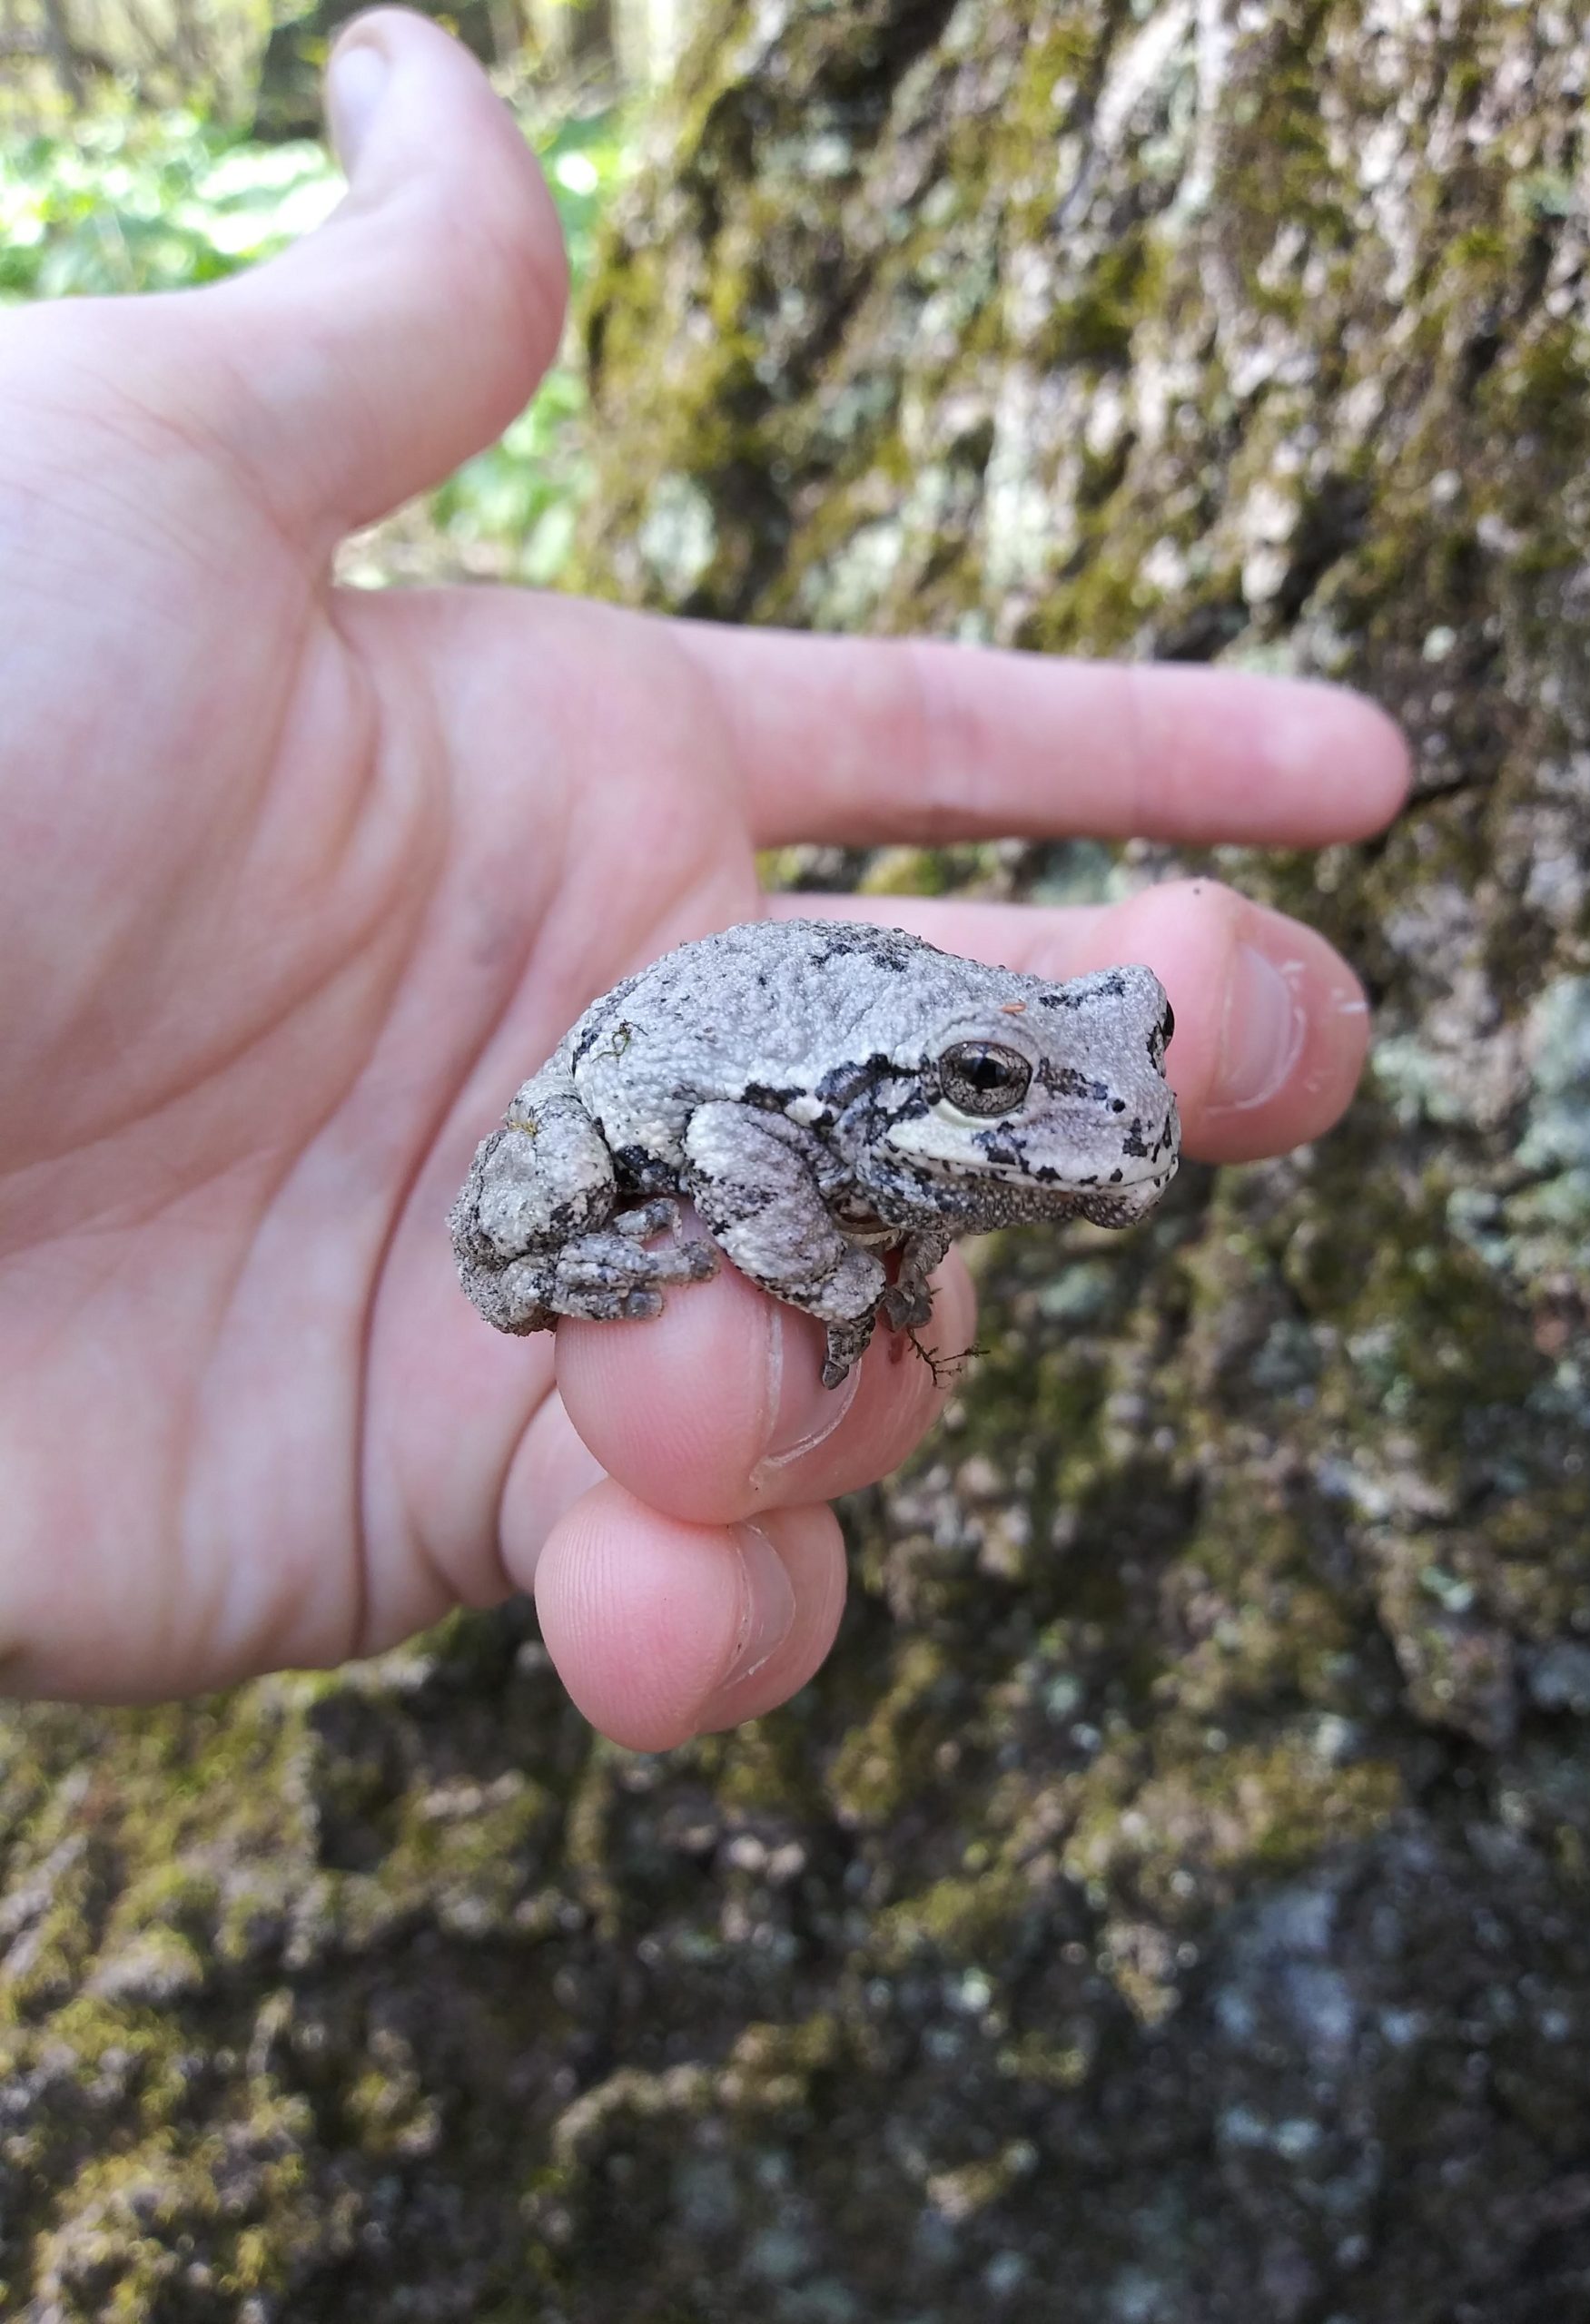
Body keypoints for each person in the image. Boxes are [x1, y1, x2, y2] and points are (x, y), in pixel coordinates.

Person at [0, 11, 1407, 1750]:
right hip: (653, 1102)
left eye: (1098, 1052)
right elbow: (741, 1144)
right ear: (937, 1084)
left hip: (795, 1039)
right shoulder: (827, 1114)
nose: (1103, 1114)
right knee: (631, 1274)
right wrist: (831, 1269)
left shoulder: (990, 1089)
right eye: (990, 1088)